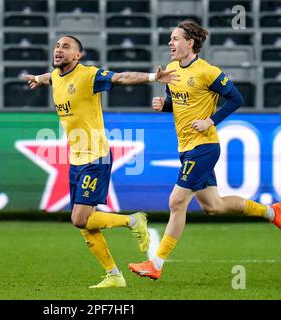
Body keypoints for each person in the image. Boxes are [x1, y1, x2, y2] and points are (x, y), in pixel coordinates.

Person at [128, 20, 281, 281]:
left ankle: (156, 263)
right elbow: (179, 103)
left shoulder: (207, 71)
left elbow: (236, 98)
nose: (170, 43)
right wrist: (164, 105)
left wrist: (210, 120)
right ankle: (273, 212)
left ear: (190, 43)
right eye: (170, 39)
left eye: (175, 39)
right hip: (186, 147)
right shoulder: (170, 70)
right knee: (213, 206)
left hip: (203, 146)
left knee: (176, 202)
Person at [24, 35, 179, 288]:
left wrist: (153, 77)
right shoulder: (55, 76)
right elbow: (49, 77)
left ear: (78, 55)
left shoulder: (89, 75)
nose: (58, 50)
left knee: (79, 219)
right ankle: (114, 275)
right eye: (57, 46)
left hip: (96, 156)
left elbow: (120, 77)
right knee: (86, 225)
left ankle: (133, 220)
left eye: (66, 46)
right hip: (75, 158)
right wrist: (38, 79)